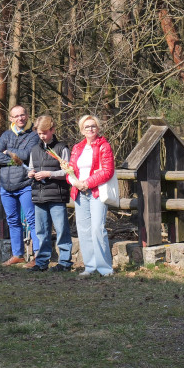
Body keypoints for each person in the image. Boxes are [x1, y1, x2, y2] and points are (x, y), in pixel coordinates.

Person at [67, 115, 115, 277]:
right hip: (79, 193)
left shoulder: (104, 146)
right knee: (83, 230)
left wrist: (87, 183)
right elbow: (70, 171)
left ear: (98, 128)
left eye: (93, 126)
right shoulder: (77, 148)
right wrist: (75, 183)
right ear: (81, 130)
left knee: (97, 229)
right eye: (87, 127)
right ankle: (90, 266)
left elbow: (107, 171)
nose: (90, 129)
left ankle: (105, 268)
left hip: (96, 192)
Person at [0, 105, 39, 265]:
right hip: (6, 185)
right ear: (11, 118)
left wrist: (8, 150)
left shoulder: (33, 135)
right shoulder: (6, 135)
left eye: (22, 115)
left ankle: (38, 256)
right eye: (16, 116)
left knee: (32, 219)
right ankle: (17, 255)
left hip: (25, 183)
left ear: (27, 115)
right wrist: (15, 159)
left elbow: (28, 154)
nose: (20, 118)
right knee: (12, 220)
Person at [27, 115, 73, 272]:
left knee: (61, 230)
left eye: (44, 133)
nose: (42, 136)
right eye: (39, 133)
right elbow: (31, 167)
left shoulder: (62, 148)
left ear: (52, 130)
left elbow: (68, 172)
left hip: (57, 195)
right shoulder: (34, 150)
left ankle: (65, 262)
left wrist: (49, 174)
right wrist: (31, 173)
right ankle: (41, 262)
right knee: (41, 231)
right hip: (39, 195)